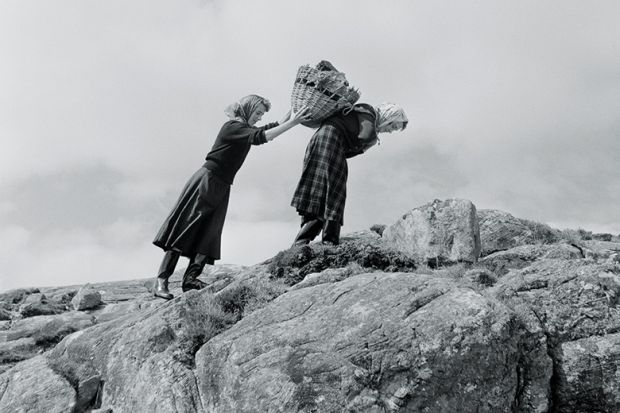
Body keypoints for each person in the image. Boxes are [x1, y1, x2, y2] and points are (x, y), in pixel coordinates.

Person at [152, 95, 310, 299]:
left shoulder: (244, 128)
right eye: (258, 112)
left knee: (210, 231)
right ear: (247, 109)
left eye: (262, 114)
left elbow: (269, 128)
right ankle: (161, 282)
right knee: (186, 227)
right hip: (207, 180)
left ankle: (190, 279)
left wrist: (292, 112)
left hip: (223, 184)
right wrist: (294, 122)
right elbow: (263, 137)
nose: (260, 117)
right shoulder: (232, 126)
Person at [290, 102, 408, 246]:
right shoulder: (368, 112)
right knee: (335, 192)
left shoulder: (363, 112)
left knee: (319, 192)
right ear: (389, 117)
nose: (390, 131)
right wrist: (369, 143)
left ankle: (302, 242)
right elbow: (366, 136)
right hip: (330, 142)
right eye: (392, 126)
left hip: (321, 142)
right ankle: (329, 241)